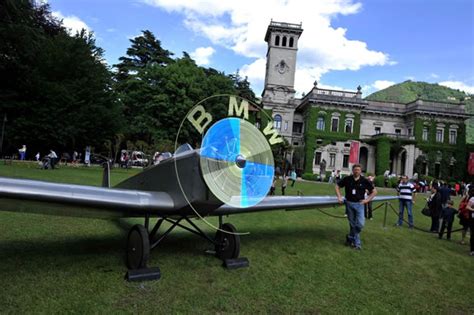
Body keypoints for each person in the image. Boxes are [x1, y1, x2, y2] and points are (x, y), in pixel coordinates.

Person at [335, 164, 377, 250]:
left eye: (358, 170)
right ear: (353, 170)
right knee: (352, 224)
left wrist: (367, 200)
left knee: (360, 224)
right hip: (349, 203)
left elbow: (374, 191)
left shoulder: (364, 180)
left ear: (360, 171)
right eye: (355, 169)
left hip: (360, 204)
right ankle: (357, 244)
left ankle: (350, 237)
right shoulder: (347, 179)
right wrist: (339, 196)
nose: (356, 171)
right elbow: (337, 186)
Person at [464, 188, 474, 256]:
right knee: (473, 235)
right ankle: (472, 250)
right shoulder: (472, 199)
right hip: (473, 219)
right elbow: (467, 207)